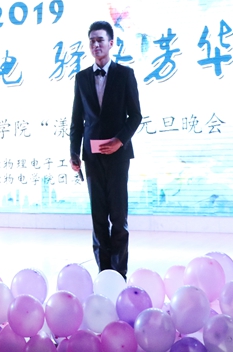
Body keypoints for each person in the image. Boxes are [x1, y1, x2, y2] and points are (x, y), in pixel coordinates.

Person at [69, 21, 142, 278]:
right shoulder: (81, 78)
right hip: (91, 157)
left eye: (100, 40)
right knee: (98, 216)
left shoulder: (125, 74)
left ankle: (119, 273)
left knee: (118, 216)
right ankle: (104, 272)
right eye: (92, 40)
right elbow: (77, 120)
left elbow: (135, 116)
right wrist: (74, 153)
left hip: (119, 156)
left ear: (111, 43)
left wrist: (119, 141)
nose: (96, 44)